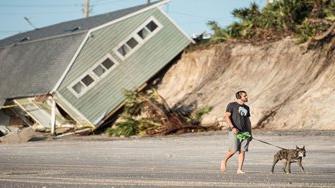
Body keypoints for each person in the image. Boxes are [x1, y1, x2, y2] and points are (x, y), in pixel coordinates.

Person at [220, 90, 252, 174]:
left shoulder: (247, 107)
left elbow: (248, 121)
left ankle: (239, 169)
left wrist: (250, 133)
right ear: (239, 97)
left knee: (242, 150)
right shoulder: (231, 105)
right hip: (234, 131)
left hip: (245, 132)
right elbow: (226, 117)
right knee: (233, 150)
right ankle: (224, 161)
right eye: (245, 96)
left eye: (246, 96)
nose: (246, 97)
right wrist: (232, 127)